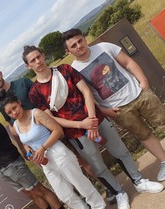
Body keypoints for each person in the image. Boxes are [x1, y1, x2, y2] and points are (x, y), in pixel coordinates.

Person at [22, 45, 163, 209]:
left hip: (96, 119)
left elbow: (86, 91)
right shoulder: (36, 92)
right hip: (76, 131)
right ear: (28, 66)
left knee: (120, 151)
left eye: (39, 56)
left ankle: (139, 181)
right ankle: (119, 192)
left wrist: (92, 120)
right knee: (97, 165)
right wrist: (82, 125)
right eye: (33, 60)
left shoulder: (65, 70)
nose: (38, 62)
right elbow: (50, 118)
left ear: (43, 55)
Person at [0, 91, 113, 209]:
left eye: (14, 108)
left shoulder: (37, 114)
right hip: (44, 161)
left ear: (19, 103)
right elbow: (25, 141)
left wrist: (43, 148)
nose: (14, 112)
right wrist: (29, 150)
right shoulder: (15, 125)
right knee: (63, 193)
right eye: (9, 112)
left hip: (57, 152)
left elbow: (57, 130)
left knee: (79, 182)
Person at [62, 28, 165, 182]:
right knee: (144, 135)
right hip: (119, 110)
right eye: (73, 45)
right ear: (68, 51)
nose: (79, 46)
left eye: (80, 41)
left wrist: (143, 82)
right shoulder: (74, 70)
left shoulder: (104, 47)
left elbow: (128, 62)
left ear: (85, 39)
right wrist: (104, 111)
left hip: (139, 93)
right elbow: (86, 95)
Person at [0, 64, 35, 155]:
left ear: (1, 73)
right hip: (29, 139)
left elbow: (43, 102)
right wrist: (22, 148)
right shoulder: (0, 104)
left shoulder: (23, 83)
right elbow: (12, 124)